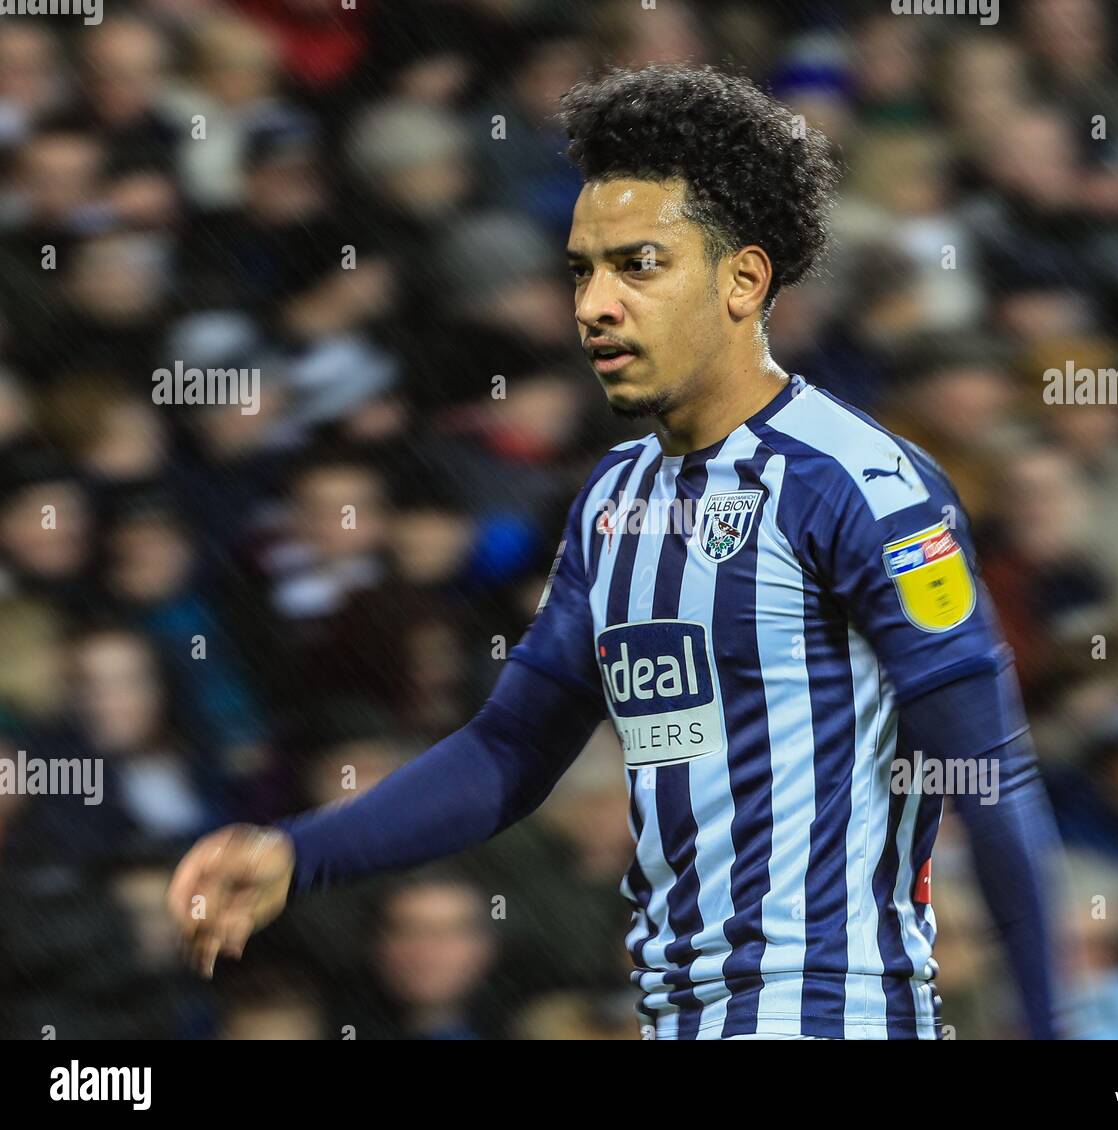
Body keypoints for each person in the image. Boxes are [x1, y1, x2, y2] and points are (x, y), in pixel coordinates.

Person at [168, 63, 1064, 1041]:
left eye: (637, 265)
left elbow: (989, 774)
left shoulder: (864, 485)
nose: (594, 303)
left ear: (742, 279)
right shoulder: (614, 497)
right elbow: (510, 749)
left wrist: (1056, 1028)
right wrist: (301, 852)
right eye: (581, 270)